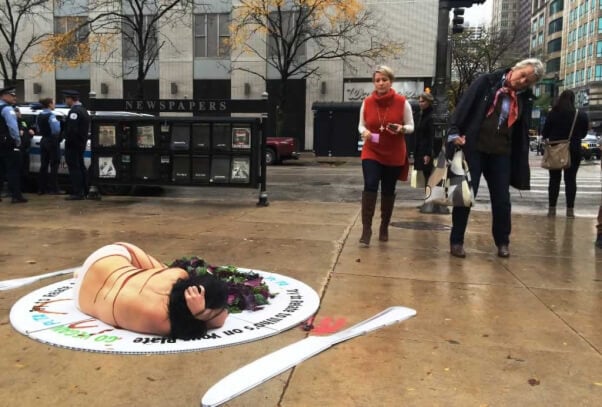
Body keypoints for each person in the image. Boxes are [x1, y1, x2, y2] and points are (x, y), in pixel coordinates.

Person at [447, 58, 544, 258]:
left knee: (502, 200)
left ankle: (502, 242)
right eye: (522, 75)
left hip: (501, 153)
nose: (522, 81)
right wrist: (454, 131)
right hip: (474, 147)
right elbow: (464, 107)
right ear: (515, 69)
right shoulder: (487, 82)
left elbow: (520, 130)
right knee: (465, 196)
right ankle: (456, 241)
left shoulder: (524, 99)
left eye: (528, 81)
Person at [74, 242, 229, 339]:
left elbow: (216, 317)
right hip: (81, 296)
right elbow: (217, 321)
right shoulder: (163, 321)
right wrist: (199, 313)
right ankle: (80, 274)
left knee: (159, 270)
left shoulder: (176, 274)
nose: (226, 312)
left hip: (105, 259)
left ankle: (81, 273)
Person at [357, 65, 414, 246]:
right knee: (370, 185)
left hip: (394, 153)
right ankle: (366, 230)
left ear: (390, 81)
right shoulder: (367, 102)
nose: (380, 83)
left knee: (388, 191)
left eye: (384, 80)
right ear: (374, 83)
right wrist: (364, 132)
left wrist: (402, 128)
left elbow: (411, 125)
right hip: (372, 150)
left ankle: (384, 226)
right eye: (377, 80)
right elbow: (361, 125)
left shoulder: (402, 102)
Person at [541, 90, 589, 218]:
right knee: (571, 180)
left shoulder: (553, 114)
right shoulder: (581, 115)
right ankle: (570, 210)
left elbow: (545, 133)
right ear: (573, 100)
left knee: (554, 180)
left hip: (555, 149)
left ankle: (552, 209)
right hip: (573, 149)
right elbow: (583, 134)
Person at [413, 90, 449, 214]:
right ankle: (428, 200)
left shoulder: (431, 117)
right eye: (419, 101)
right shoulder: (422, 115)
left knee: (430, 177)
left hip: (426, 151)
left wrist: (428, 154)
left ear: (428, 102)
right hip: (421, 150)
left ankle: (431, 201)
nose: (420, 103)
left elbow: (431, 137)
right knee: (426, 176)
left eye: (422, 101)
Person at [0, 86, 27, 203]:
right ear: (4, 96)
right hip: (8, 144)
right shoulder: (7, 109)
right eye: (12, 95)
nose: (14, 97)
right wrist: (18, 141)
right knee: (13, 170)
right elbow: (13, 127)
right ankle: (16, 195)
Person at [62, 89, 90, 200]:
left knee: (74, 168)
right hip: (80, 144)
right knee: (81, 166)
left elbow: (72, 130)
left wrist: (67, 139)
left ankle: (77, 192)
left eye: (66, 99)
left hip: (73, 144)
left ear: (70, 99)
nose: (65, 101)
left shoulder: (74, 112)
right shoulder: (83, 110)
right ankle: (84, 190)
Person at [36, 97, 63, 194]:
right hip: (52, 141)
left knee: (44, 165)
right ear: (50, 104)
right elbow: (56, 130)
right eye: (53, 103)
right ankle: (54, 188)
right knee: (54, 165)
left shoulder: (39, 115)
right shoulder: (51, 116)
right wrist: (60, 124)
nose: (54, 105)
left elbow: (38, 128)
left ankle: (41, 188)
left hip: (43, 140)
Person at [15, 107, 35, 189]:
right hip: (18, 149)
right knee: (17, 169)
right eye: (16, 112)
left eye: (18, 112)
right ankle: (15, 188)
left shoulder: (23, 121)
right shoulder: (12, 123)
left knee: (25, 169)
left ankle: (23, 187)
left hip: (26, 148)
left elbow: (28, 130)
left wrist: (30, 132)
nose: (18, 114)